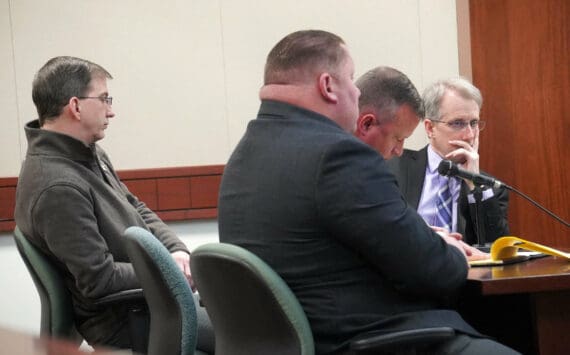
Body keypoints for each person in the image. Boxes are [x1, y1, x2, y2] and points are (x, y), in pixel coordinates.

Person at [218, 30, 518, 354]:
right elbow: (431, 269)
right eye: (351, 79)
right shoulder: (338, 155)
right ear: (328, 86)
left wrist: (419, 238)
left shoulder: (245, 154)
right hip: (365, 339)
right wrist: (450, 252)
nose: (357, 91)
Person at [14, 56, 193, 349]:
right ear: (76, 106)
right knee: (246, 330)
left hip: (152, 304)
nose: (111, 112)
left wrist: (175, 250)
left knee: (240, 316)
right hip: (130, 320)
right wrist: (169, 272)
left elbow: (134, 206)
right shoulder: (57, 186)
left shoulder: (85, 153)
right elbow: (100, 279)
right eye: (104, 99)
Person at [386, 78, 510, 246]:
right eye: (457, 123)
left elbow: (495, 246)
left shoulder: (490, 188)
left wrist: (475, 183)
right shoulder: (393, 168)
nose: (469, 135)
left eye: (473, 123)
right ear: (430, 128)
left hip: (463, 271)